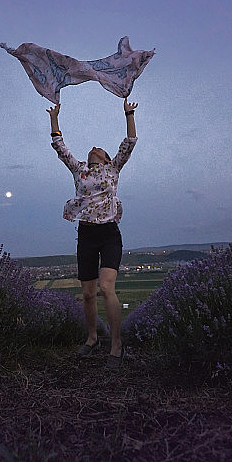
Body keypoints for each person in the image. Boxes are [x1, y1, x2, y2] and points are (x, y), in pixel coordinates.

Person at [47, 97, 138, 370]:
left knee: (106, 287)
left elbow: (129, 143)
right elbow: (60, 147)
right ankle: (92, 338)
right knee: (87, 294)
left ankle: (116, 345)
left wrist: (129, 115)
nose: (93, 148)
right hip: (86, 235)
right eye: (92, 148)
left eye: (99, 148)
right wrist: (54, 119)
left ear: (107, 158)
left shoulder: (113, 169)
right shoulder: (80, 170)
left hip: (109, 234)